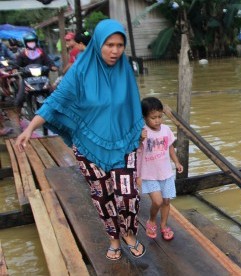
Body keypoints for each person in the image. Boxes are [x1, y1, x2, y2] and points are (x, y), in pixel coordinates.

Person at [15, 19, 146, 261]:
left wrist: (140, 126)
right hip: (89, 146)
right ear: (98, 44)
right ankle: (114, 239)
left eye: (119, 45)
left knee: (128, 196)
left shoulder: (124, 68)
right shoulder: (80, 71)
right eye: (109, 45)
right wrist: (29, 128)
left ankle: (128, 231)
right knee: (102, 197)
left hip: (123, 142)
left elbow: (131, 102)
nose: (115, 51)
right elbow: (55, 101)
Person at [136, 97, 183, 241]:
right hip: (149, 174)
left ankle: (163, 226)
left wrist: (177, 162)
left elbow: (170, 148)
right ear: (144, 117)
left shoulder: (166, 130)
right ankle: (151, 220)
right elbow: (135, 151)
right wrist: (139, 138)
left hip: (166, 173)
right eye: (153, 118)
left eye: (159, 117)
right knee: (157, 201)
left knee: (166, 202)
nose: (157, 120)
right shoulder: (142, 132)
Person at [15, 33, 58, 117]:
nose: (31, 43)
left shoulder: (41, 52)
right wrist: (15, 69)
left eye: (33, 41)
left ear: (36, 42)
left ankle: (57, 112)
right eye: (29, 42)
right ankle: (18, 115)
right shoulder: (22, 54)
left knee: (54, 94)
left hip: (43, 79)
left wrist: (52, 66)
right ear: (25, 43)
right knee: (19, 99)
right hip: (28, 80)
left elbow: (48, 61)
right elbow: (17, 65)